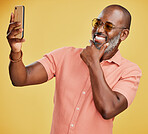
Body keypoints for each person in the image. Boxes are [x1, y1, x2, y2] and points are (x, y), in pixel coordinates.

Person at [7, 4, 142, 134]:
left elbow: (108, 109)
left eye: (108, 26)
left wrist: (93, 62)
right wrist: (15, 51)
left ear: (123, 34)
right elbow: (21, 78)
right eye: (97, 23)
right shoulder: (65, 55)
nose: (99, 30)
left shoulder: (130, 71)